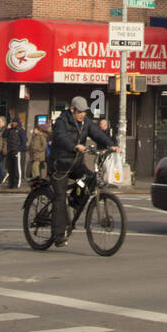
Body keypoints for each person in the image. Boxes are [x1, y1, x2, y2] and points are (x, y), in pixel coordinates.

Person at [49, 97, 118, 247]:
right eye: (79, 112)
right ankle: (59, 235)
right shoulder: (62, 121)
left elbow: (97, 134)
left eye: (84, 112)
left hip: (75, 164)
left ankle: (74, 200)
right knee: (60, 198)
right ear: (72, 110)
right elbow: (60, 137)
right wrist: (74, 146)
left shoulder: (86, 122)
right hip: (60, 164)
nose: (82, 115)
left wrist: (111, 145)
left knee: (91, 178)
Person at [3, 114, 27, 190]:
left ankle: (16, 183)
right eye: (12, 122)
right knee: (10, 168)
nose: (13, 124)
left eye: (14, 122)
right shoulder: (10, 130)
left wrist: (18, 150)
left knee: (17, 168)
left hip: (16, 151)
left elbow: (24, 142)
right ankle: (11, 183)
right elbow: (4, 135)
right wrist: (7, 128)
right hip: (10, 150)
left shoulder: (20, 130)